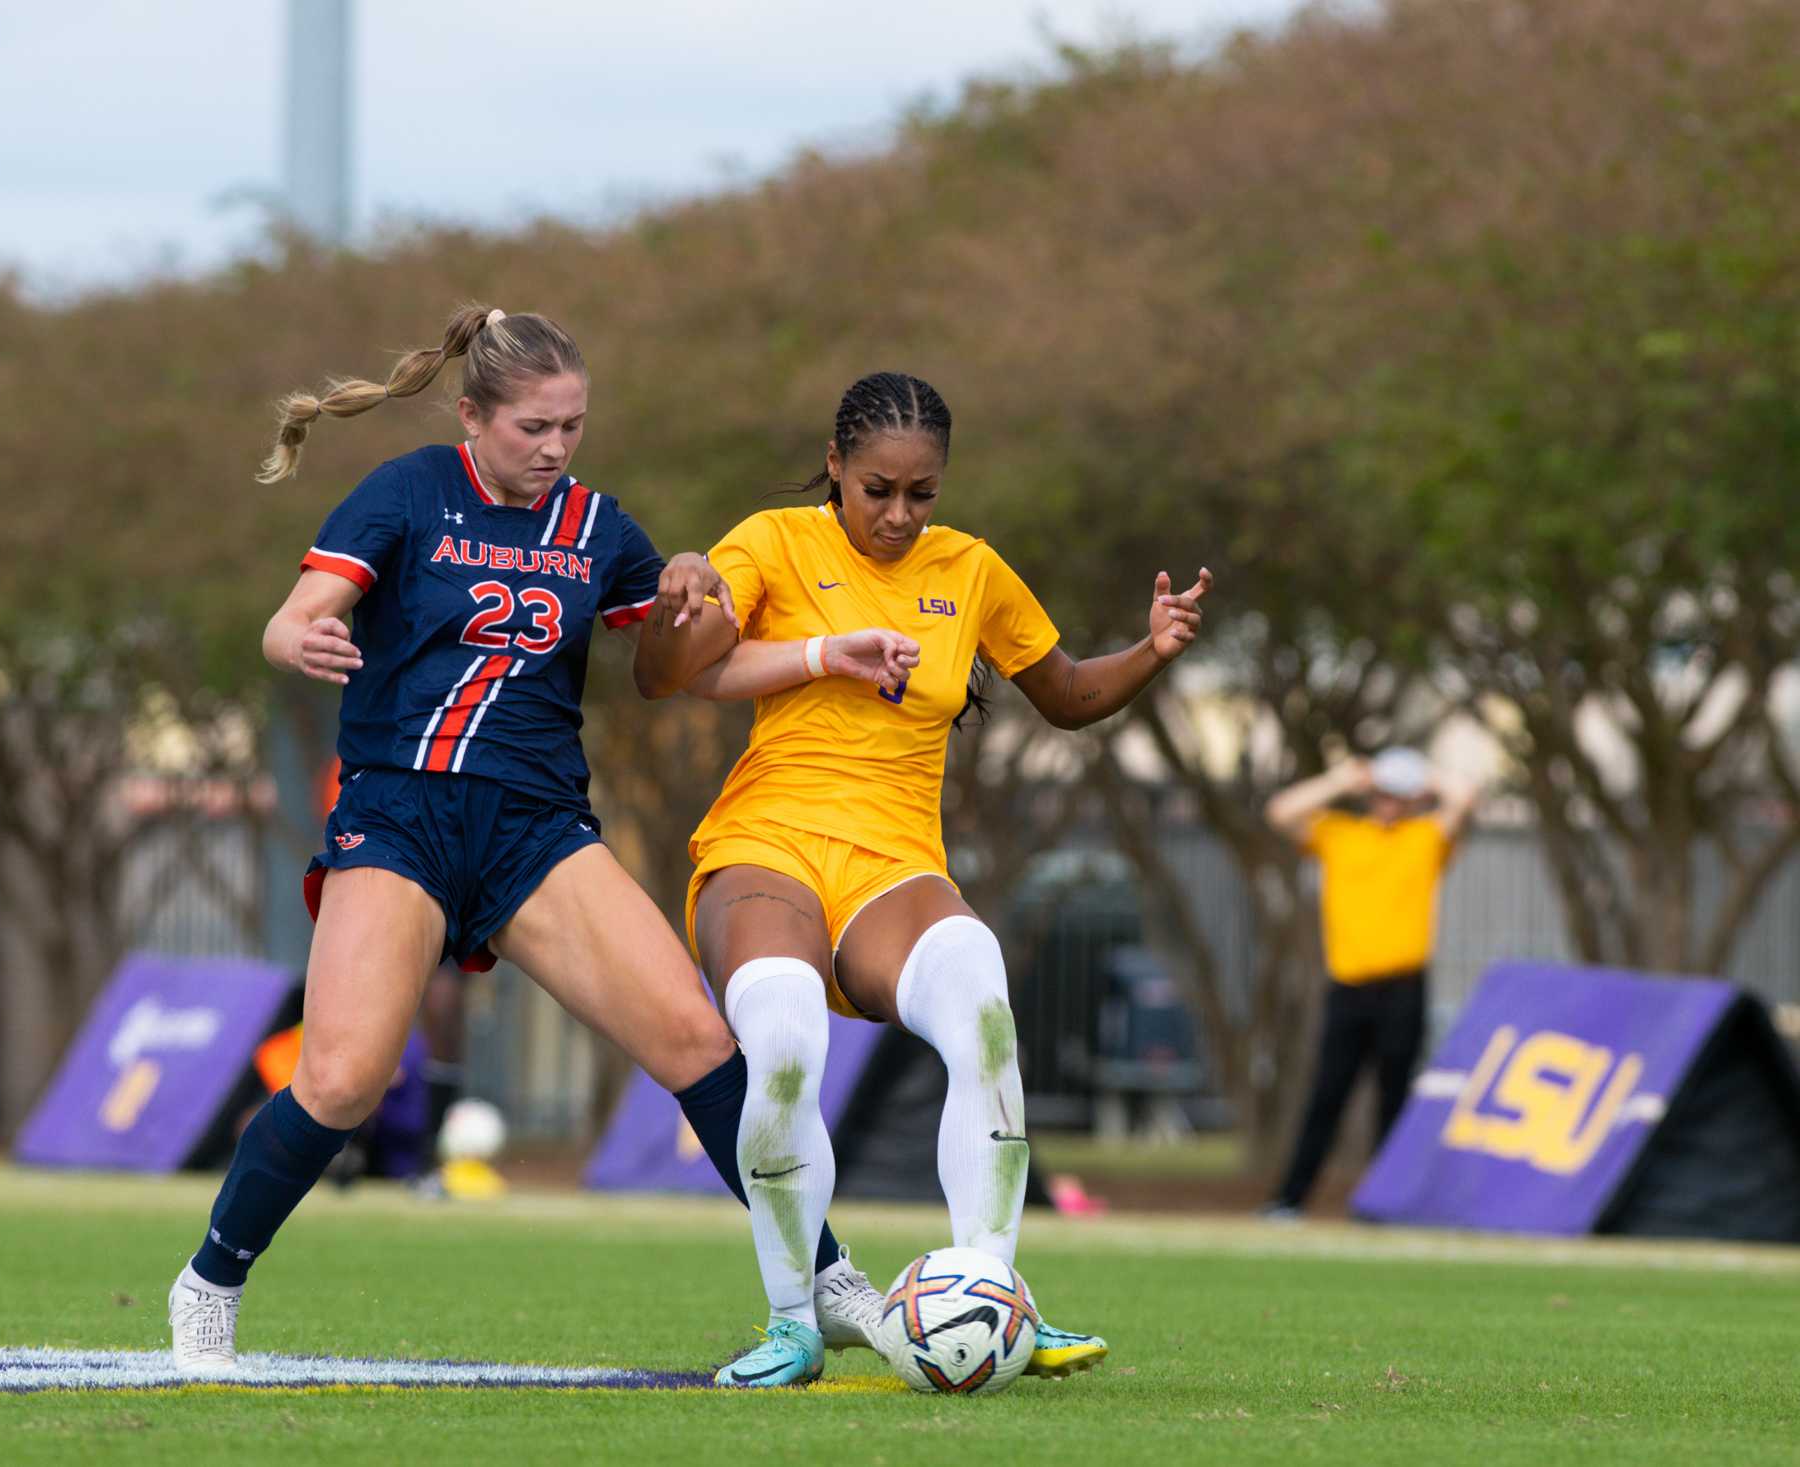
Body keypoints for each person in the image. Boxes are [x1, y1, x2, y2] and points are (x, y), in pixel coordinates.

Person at [165, 305, 919, 1376]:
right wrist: (303, 636)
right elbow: (292, 616)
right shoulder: (409, 490)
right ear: (474, 416)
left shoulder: (599, 527)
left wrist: (817, 650)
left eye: (572, 426)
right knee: (341, 1081)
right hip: (401, 813)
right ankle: (210, 1283)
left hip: (536, 828)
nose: (556, 448)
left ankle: (830, 1280)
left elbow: (693, 665)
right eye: (534, 427)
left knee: (699, 1047)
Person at [634, 370, 1214, 1387]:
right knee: (779, 1043)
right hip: (765, 845)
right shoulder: (771, 541)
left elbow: (1069, 695)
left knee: (982, 999)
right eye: (876, 490)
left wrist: (1152, 651)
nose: (899, 514)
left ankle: (989, 1305)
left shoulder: (972, 570)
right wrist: (684, 587)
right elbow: (669, 671)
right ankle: (790, 1325)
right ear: (833, 468)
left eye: (921, 493)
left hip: (896, 863)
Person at [1260, 748, 1479, 1218]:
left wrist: (1425, 775)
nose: (1389, 803)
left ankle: (1385, 1204)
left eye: (1398, 795)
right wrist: (1343, 780)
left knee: (1394, 1099)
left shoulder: (1425, 838)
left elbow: (1465, 797)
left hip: (1403, 988)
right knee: (1327, 1095)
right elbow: (1280, 811)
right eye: (1382, 793)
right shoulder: (1340, 835)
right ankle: (1290, 1200)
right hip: (1349, 988)